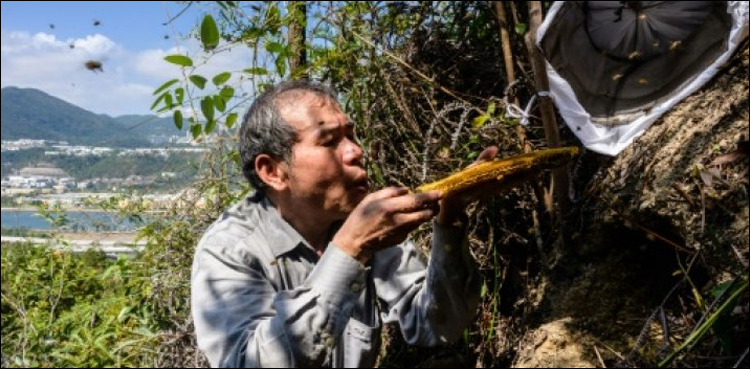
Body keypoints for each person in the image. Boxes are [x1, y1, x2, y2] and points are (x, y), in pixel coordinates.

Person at [191, 80, 497, 367]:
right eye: (329, 141)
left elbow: (435, 323)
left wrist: (450, 221)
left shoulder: (363, 220)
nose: (355, 151)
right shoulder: (230, 250)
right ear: (272, 171)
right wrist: (350, 248)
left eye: (350, 135)